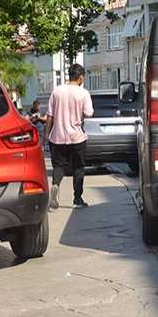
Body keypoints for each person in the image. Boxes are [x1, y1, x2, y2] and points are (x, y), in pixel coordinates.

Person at [46, 63, 94, 209]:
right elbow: (89, 113)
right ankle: (77, 199)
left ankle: (55, 185)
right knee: (78, 167)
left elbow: (49, 116)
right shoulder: (83, 93)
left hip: (57, 136)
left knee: (58, 166)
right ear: (80, 78)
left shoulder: (57, 91)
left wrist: (47, 135)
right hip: (77, 137)